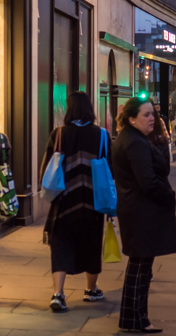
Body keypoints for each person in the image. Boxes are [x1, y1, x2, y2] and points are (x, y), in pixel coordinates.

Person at [112, 97, 176, 334]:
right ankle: (137, 319)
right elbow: (147, 182)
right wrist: (169, 196)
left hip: (135, 209)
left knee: (139, 265)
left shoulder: (130, 139)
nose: (152, 118)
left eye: (153, 114)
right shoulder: (135, 143)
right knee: (140, 267)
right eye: (146, 115)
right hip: (142, 212)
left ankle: (134, 318)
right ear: (132, 119)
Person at [41, 92, 110, 312]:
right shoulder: (101, 135)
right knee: (91, 244)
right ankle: (91, 290)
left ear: (69, 109)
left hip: (64, 202)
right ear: (90, 108)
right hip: (92, 202)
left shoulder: (58, 134)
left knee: (60, 246)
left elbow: (46, 169)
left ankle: (58, 294)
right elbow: (111, 169)